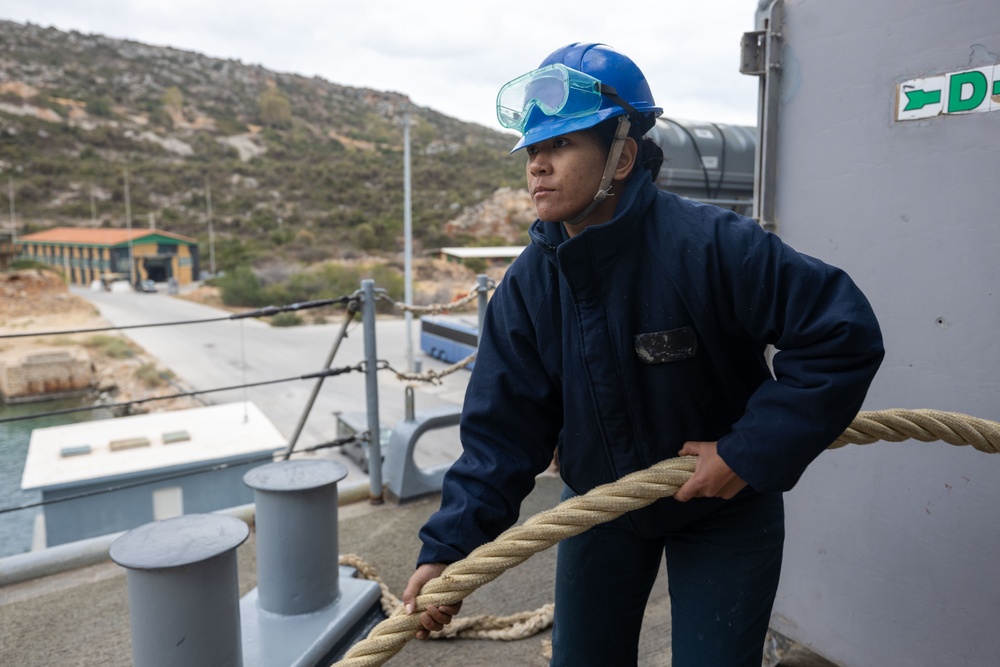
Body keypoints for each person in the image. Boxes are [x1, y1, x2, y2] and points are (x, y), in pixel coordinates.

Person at [402, 43, 884, 666]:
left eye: (560, 146)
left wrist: (745, 453)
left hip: (724, 504)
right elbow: (502, 433)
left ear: (623, 156)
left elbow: (840, 334)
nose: (537, 167)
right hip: (600, 506)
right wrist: (448, 552)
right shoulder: (528, 285)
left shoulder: (712, 246)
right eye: (532, 151)